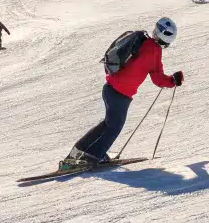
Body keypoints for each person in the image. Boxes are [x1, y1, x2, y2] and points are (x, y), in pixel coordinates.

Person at [62, 18, 183, 169]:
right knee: (114, 127)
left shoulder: (141, 40)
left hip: (109, 89)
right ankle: (93, 156)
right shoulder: (154, 50)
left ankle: (79, 151)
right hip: (121, 95)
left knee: (107, 125)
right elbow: (158, 79)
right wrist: (173, 81)